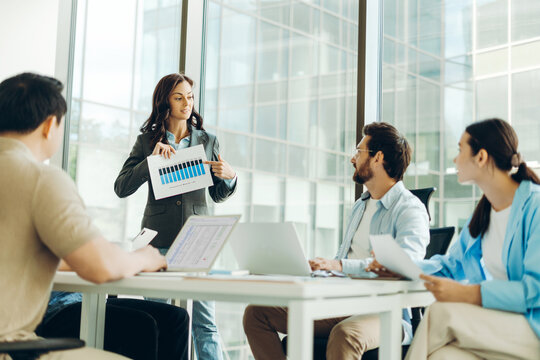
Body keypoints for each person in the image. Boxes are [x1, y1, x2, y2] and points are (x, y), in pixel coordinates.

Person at [0, 73, 186, 360]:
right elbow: (99, 266)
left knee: (166, 320)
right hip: (11, 347)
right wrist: (145, 258)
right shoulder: (40, 179)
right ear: (51, 125)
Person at [242, 122, 430, 360]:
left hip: (385, 312)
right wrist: (315, 269)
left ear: (377, 157)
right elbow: (343, 262)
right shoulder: (360, 206)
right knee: (257, 314)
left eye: (359, 152)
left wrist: (339, 266)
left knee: (345, 334)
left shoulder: (409, 208)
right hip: (342, 303)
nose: (353, 159)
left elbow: (407, 264)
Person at [114, 73, 237, 360]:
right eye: (179, 97)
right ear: (165, 101)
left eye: (190, 97)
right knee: (160, 319)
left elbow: (217, 195)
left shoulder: (208, 140)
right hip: (158, 242)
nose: (186, 103)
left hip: (200, 241)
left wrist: (229, 178)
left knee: (206, 323)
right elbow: (121, 187)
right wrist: (150, 162)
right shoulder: (147, 141)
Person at [404, 119, 540, 360]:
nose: (455, 159)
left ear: (481, 157)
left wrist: (469, 294)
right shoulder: (484, 214)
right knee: (442, 356)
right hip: (503, 324)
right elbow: (450, 266)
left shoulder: (535, 207)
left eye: (459, 150)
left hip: (533, 327)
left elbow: (535, 290)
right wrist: (400, 267)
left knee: (440, 313)